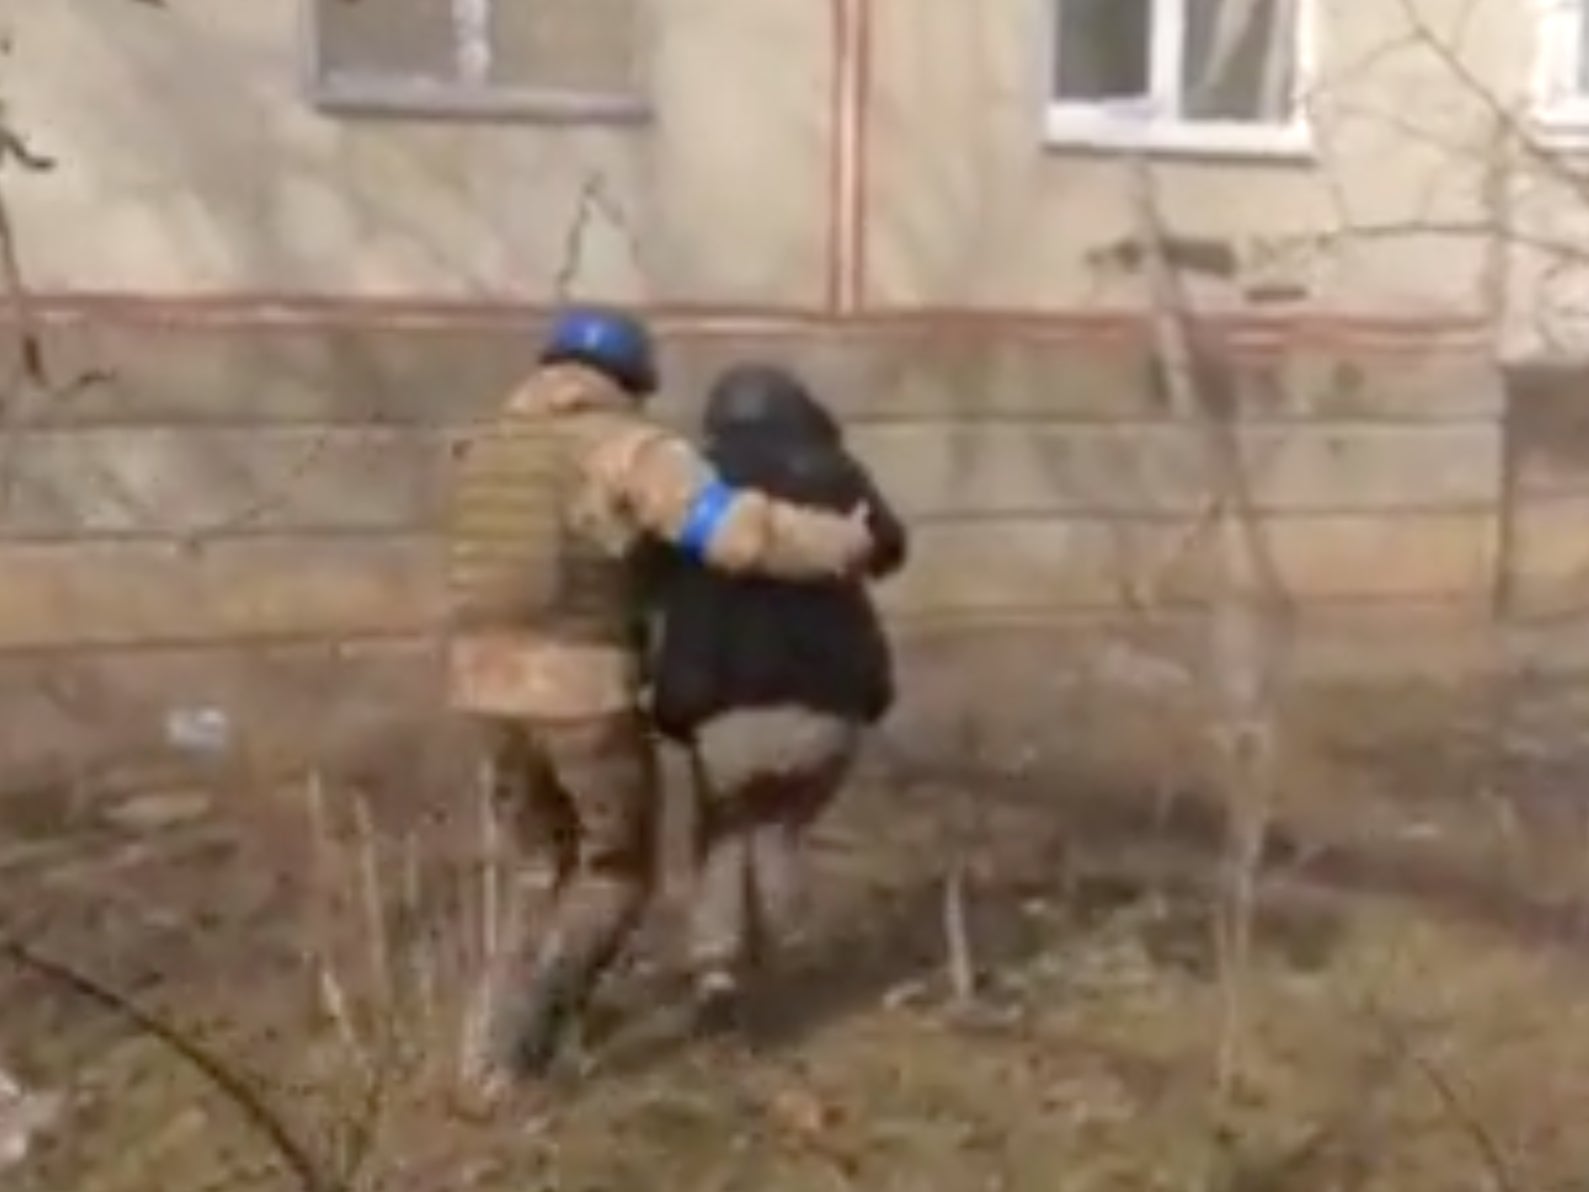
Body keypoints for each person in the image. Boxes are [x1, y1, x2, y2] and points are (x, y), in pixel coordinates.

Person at [443, 310, 879, 1102]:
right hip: (578, 688)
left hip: (480, 683)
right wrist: (840, 543)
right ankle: (525, 1048)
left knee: (539, 866)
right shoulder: (625, 448)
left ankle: (481, 1044)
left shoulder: (486, 448)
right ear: (630, 381)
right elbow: (732, 533)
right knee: (614, 871)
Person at [646, 361, 907, 1031]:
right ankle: (786, 942)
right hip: (827, 704)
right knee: (776, 824)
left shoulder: (693, 486)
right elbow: (889, 547)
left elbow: (644, 571)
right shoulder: (834, 472)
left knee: (726, 828)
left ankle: (716, 968)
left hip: (721, 703)